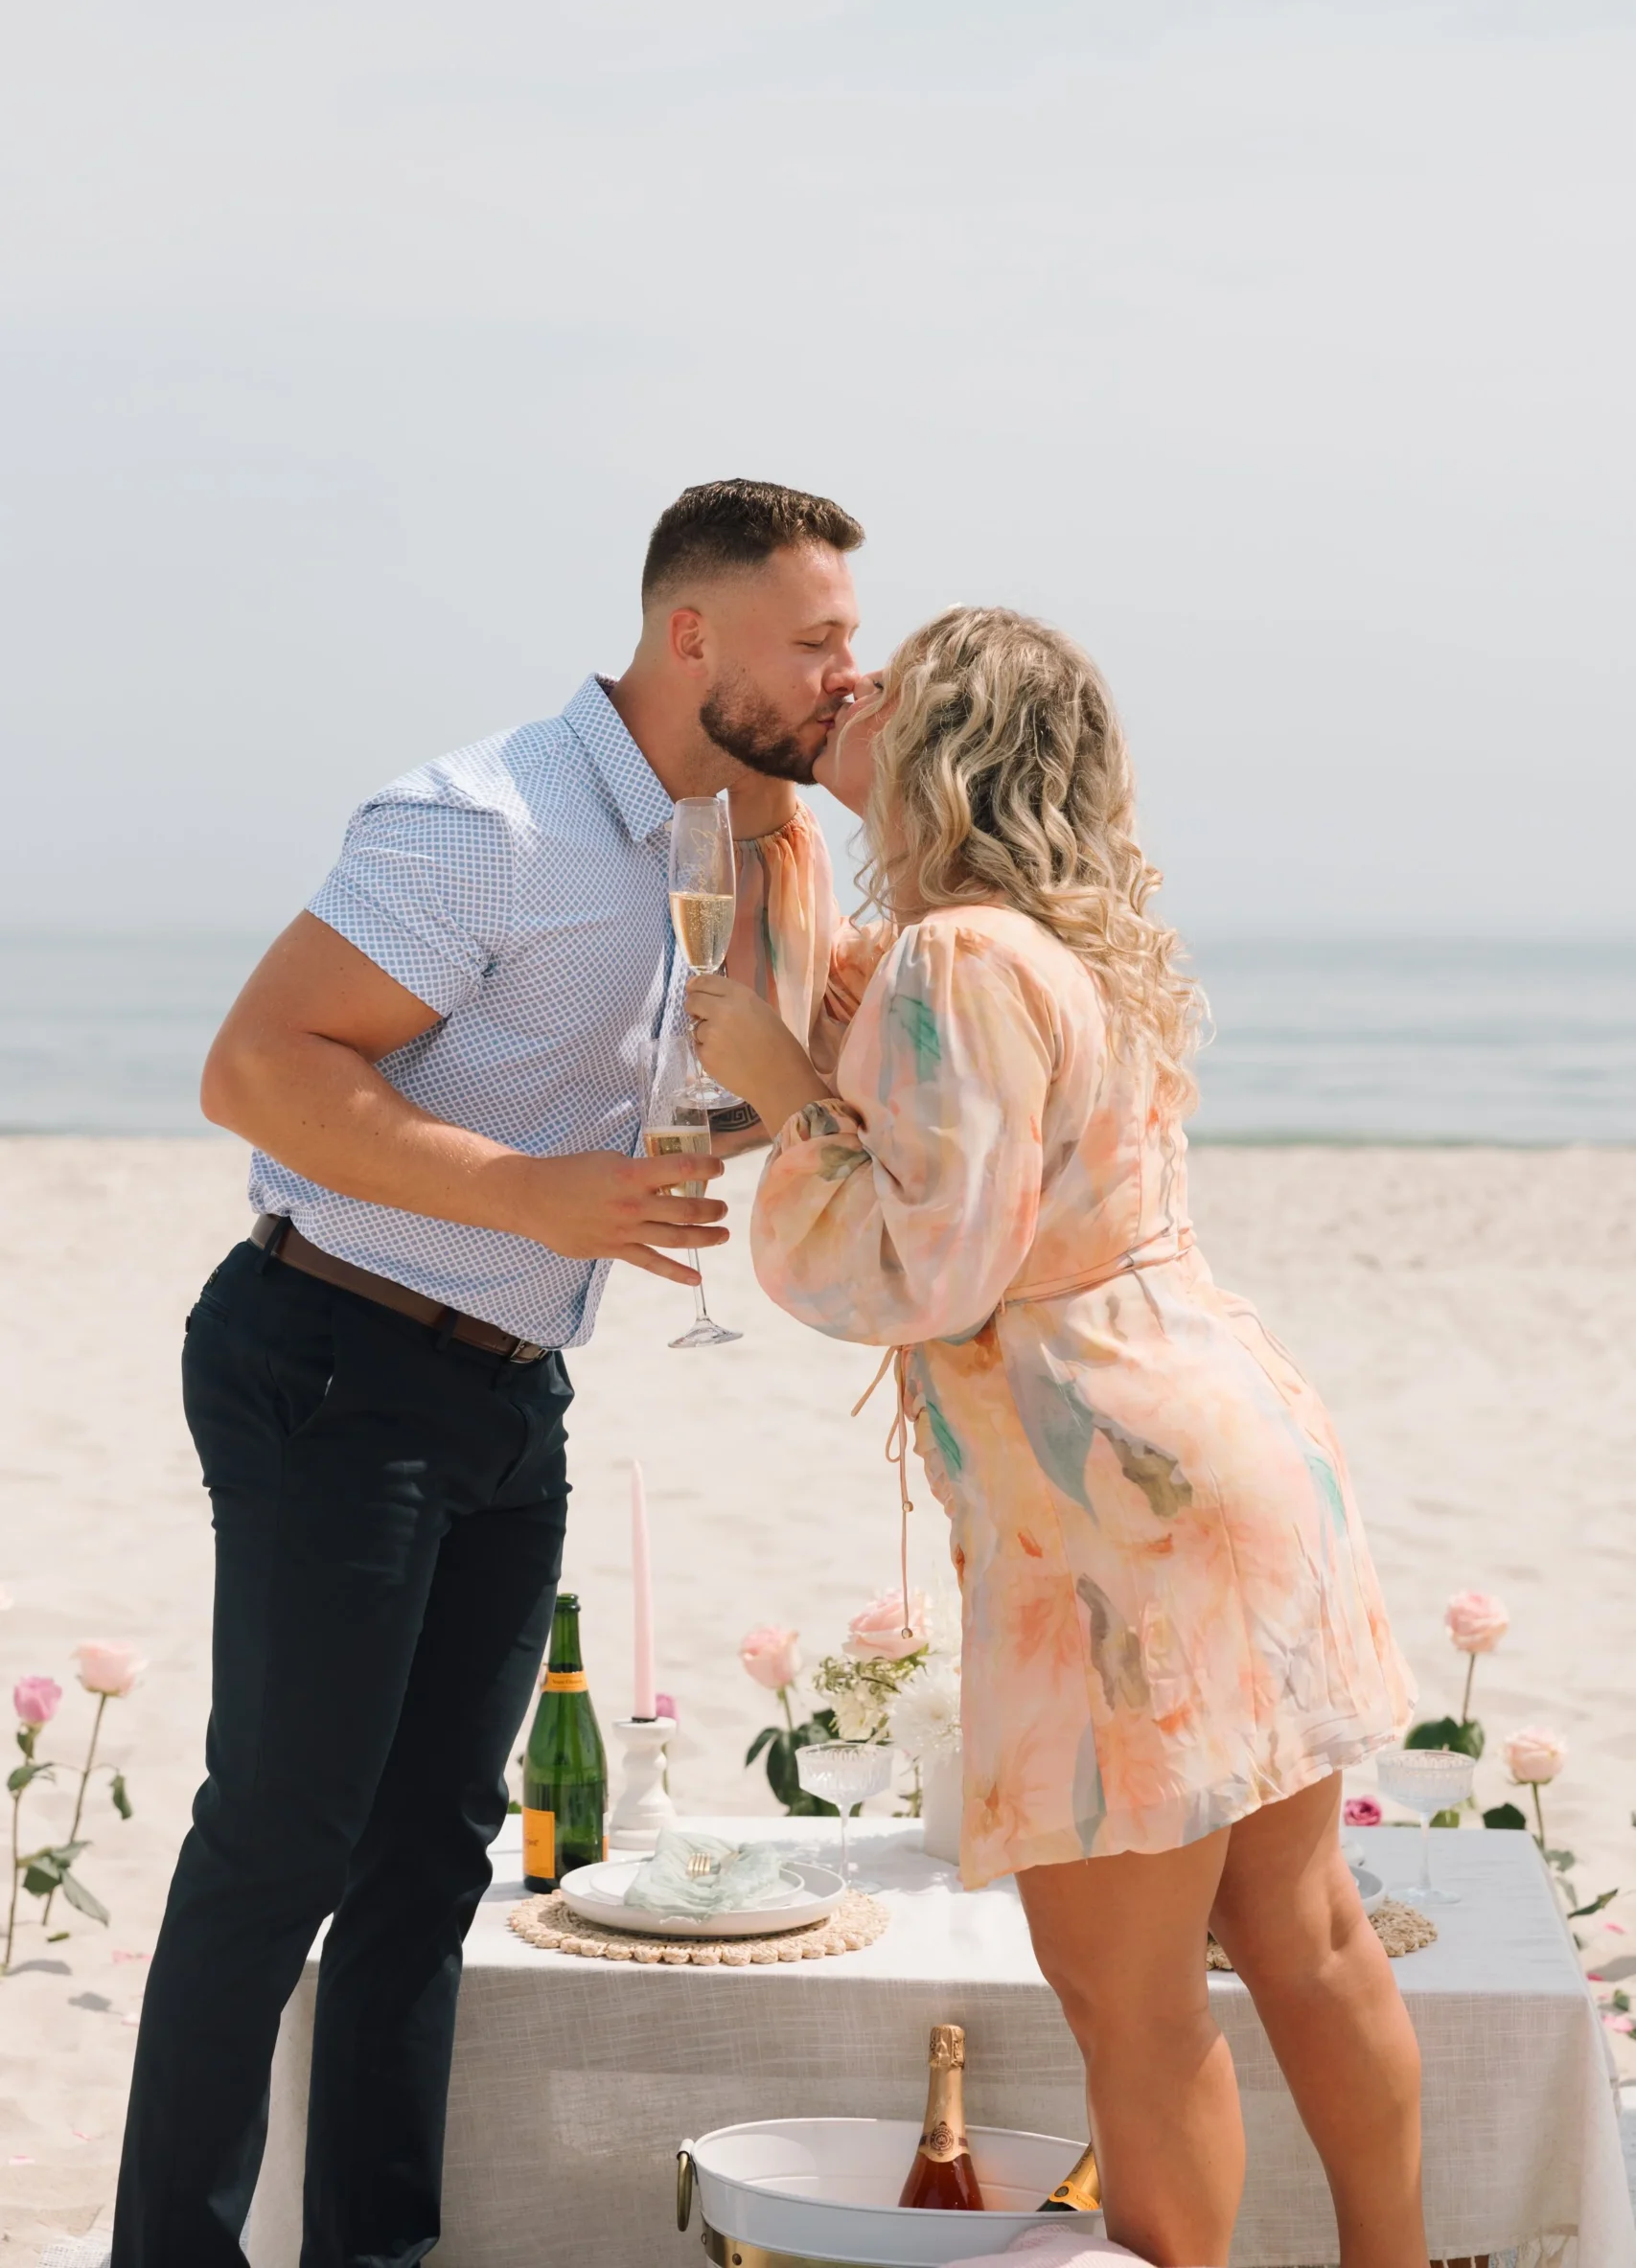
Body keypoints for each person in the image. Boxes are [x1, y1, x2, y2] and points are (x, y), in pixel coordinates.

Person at [111, 479, 863, 2268]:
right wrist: (531, 1193)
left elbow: (739, 1107)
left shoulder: (720, 835)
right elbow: (256, 1070)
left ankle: (371, 2249)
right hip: (333, 1361)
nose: (853, 671)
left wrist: (783, 877)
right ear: (693, 636)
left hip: (512, 1388)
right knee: (278, 1845)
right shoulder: (488, 822)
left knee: (433, 1856)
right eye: (817, 640)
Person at [687, 607, 1428, 2268]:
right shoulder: (1053, 946)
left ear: (942, 740)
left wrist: (782, 1089)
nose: (847, 691)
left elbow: (922, 1269)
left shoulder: (960, 959)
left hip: (1105, 1515)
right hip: (1229, 1452)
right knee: (1307, 1939)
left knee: (1129, 2000)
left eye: (882, 682)